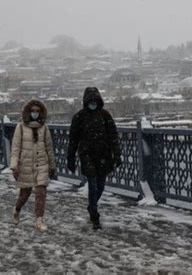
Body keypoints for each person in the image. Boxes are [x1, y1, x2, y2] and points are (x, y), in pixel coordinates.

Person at [67, 87, 121, 230]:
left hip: (103, 155)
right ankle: (94, 215)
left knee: (101, 186)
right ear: (86, 101)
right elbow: (73, 140)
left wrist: (117, 154)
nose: (93, 103)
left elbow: (113, 136)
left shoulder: (105, 116)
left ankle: (92, 206)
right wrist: (70, 158)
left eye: (95, 100)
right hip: (87, 155)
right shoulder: (79, 117)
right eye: (90, 100)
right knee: (92, 184)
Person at [10, 99, 56, 231]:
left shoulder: (44, 128)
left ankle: (39, 220)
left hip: (42, 163)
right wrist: (14, 166)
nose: (35, 113)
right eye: (33, 111)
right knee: (25, 194)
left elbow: (49, 148)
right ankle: (17, 209)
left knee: (41, 192)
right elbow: (15, 148)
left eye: (37, 111)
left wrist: (52, 165)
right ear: (28, 112)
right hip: (25, 164)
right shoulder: (20, 127)